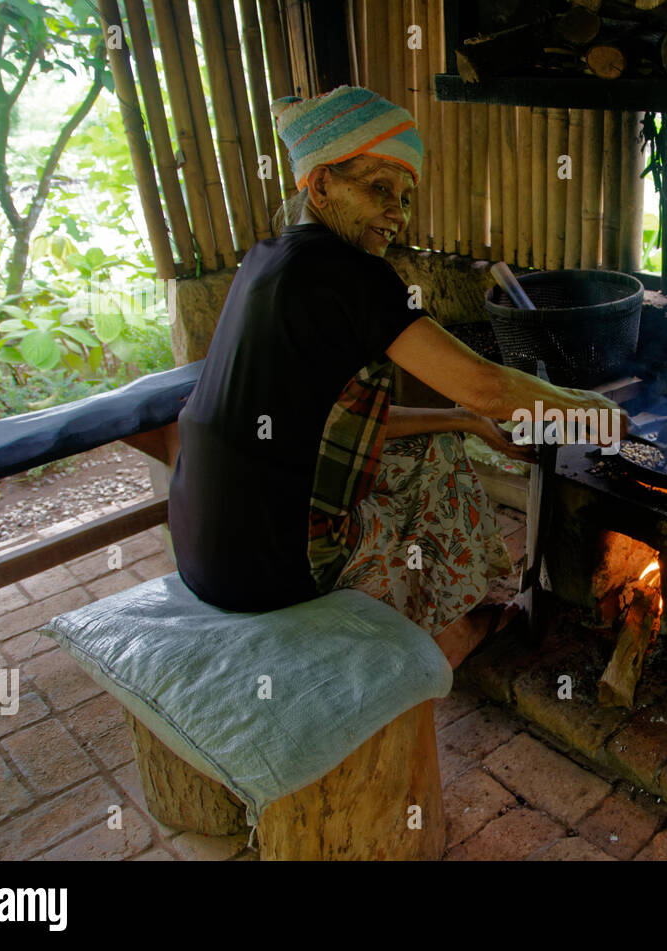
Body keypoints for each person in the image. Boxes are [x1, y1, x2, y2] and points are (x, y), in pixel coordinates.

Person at [168, 85, 627, 668]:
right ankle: (444, 641)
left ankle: (438, 620)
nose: (397, 212)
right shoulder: (351, 273)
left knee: (441, 443)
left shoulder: (268, 257)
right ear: (321, 183)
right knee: (437, 473)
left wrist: (465, 421)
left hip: (207, 547)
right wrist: (587, 406)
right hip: (274, 570)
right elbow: (488, 385)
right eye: (378, 187)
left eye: (405, 195)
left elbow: (319, 426)